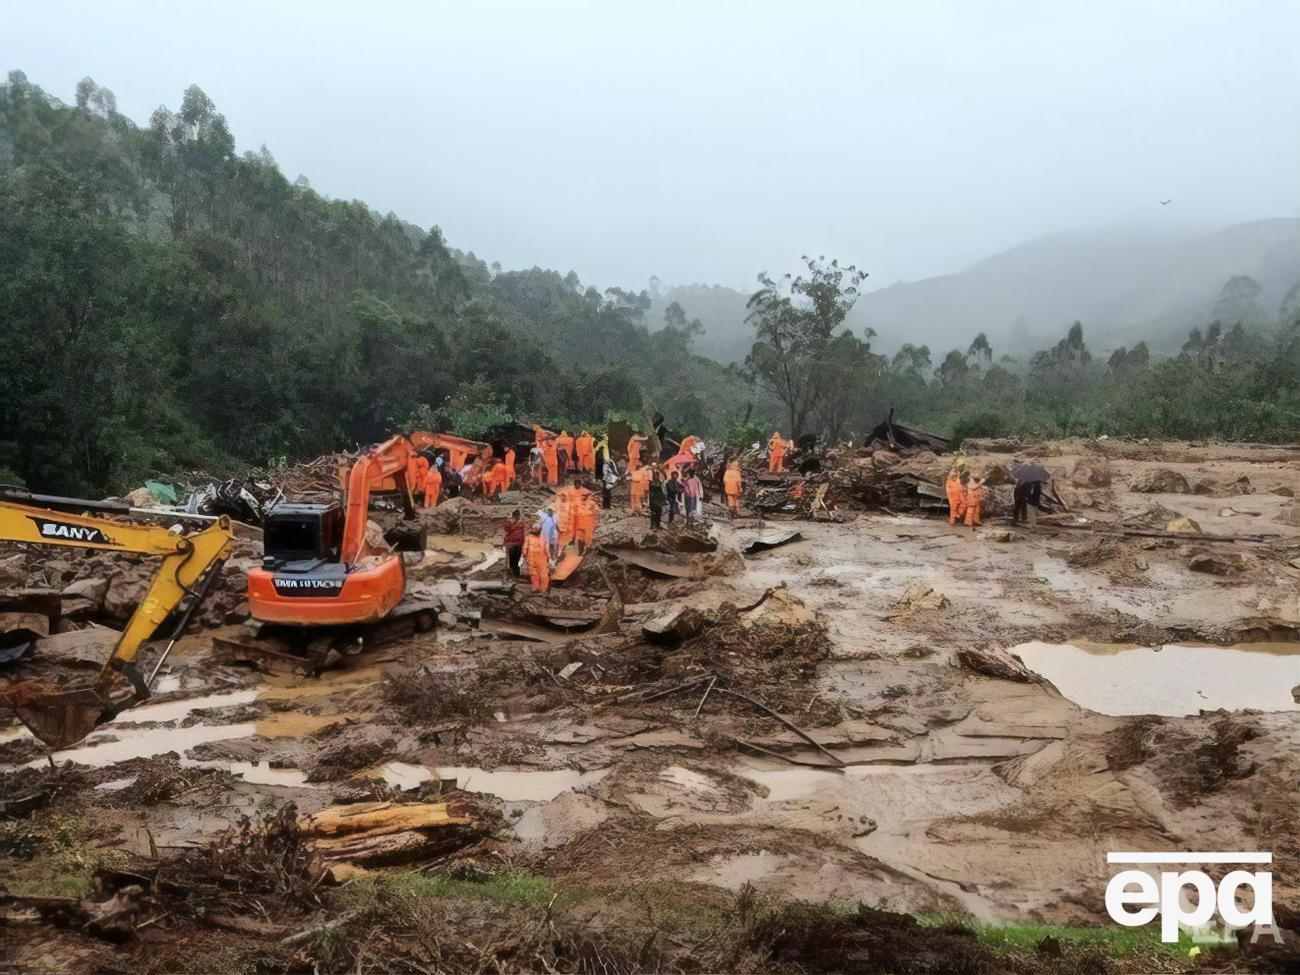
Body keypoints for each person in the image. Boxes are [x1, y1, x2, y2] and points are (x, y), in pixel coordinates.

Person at [522, 525, 550, 593]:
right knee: (536, 574)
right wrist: (548, 557)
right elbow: (547, 549)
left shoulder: (529, 537)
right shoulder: (544, 538)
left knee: (538, 574)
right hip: (537, 558)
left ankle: (540, 588)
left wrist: (524, 555)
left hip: (536, 558)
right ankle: (540, 588)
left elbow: (525, 548)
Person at [573, 481, 598, 553]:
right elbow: (574, 512)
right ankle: (580, 551)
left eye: (584, 495)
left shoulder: (592, 503)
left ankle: (587, 550)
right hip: (580, 522)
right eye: (582, 495)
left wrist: (592, 514)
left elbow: (597, 511)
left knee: (588, 538)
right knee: (581, 537)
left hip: (589, 523)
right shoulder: (577, 502)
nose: (583, 496)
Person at [503, 509, 525, 578]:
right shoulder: (520, 523)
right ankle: (515, 574)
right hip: (516, 544)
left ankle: (514, 574)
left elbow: (506, 529)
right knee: (514, 560)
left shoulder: (511, 523)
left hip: (514, 544)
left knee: (513, 561)